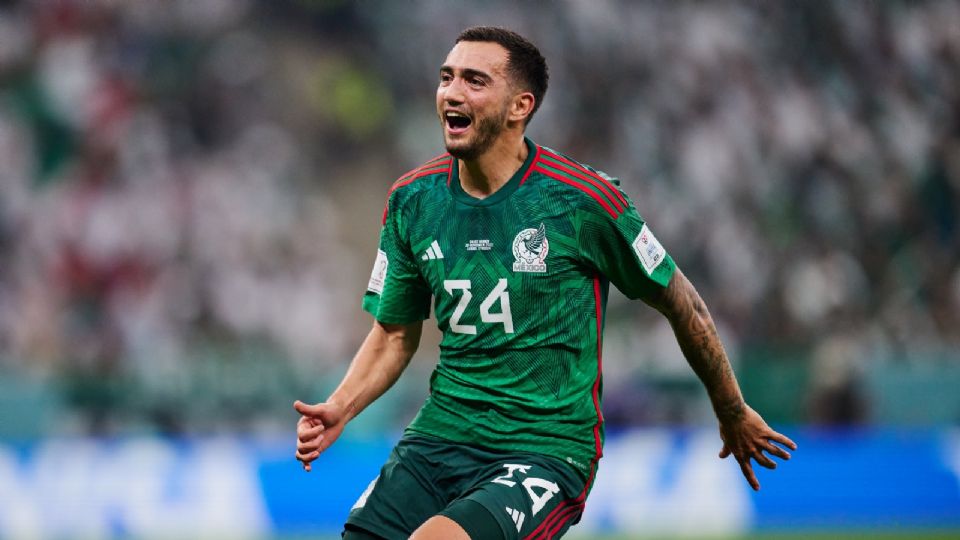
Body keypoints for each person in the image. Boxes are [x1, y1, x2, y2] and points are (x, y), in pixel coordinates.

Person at [294, 26, 796, 540]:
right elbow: (394, 334)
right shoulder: (412, 200)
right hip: (439, 438)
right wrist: (341, 406)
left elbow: (683, 304)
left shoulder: (582, 201)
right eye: (447, 77)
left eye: (474, 80)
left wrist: (731, 408)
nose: (451, 92)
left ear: (519, 106)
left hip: (545, 447)